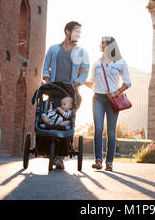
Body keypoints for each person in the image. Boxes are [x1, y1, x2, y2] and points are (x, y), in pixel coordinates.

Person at [42, 21, 89, 170]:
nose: (79, 35)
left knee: (66, 119)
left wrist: (77, 83)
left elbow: (84, 71)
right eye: (76, 31)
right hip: (54, 89)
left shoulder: (82, 52)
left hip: (70, 92)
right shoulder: (53, 49)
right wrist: (48, 80)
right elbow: (46, 67)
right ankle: (49, 150)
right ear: (67, 32)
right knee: (51, 117)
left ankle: (60, 156)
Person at [85, 36, 131, 171]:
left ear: (110, 46)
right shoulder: (96, 63)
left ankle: (109, 162)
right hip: (98, 98)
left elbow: (127, 82)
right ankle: (98, 160)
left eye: (103, 43)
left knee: (111, 131)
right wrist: (81, 79)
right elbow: (91, 82)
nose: (101, 44)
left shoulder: (120, 62)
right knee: (98, 128)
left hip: (113, 100)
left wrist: (116, 92)